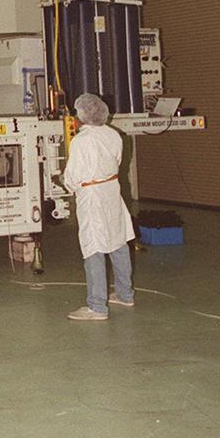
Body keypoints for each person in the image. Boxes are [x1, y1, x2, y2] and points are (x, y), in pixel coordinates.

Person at [64, 92, 135, 321]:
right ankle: (125, 293)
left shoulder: (81, 141)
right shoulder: (114, 135)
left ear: (82, 116)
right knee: (117, 239)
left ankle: (97, 306)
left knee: (93, 245)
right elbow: (117, 161)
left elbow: (73, 176)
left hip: (92, 194)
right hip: (111, 190)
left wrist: (67, 185)